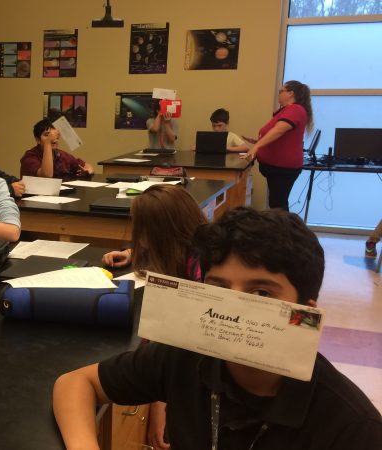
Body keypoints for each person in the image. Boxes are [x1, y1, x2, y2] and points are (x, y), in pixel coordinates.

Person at [53, 207, 382, 450]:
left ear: (304, 313)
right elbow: (75, 383)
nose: (232, 308)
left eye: (261, 293)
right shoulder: (185, 357)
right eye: (219, 288)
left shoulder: (353, 427)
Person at [102, 183, 207, 450]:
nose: (139, 238)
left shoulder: (199, 276)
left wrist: (159, 404)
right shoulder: (194, 249)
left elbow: (172, 345)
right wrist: (131, 253)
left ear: (159, 233)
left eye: (142, 231)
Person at [243, 80, 313, 211]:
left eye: (281, 91)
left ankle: (283, 225)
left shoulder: (295, 109)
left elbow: (279, 130)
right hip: (278, 168)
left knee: (278, 205)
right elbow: (282, 137)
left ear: (291, 93)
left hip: (283, 169)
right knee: (277, 203)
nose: (278, 94)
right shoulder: (287, 110)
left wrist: (257, 147)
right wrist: (258, 141)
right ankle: (281, 224)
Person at [20, 118, 93, 178]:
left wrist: (88, 171)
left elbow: (86, 165)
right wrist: (48, 143)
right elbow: (46, 175)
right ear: (37, 140)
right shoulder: (29, 157)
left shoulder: (62, 155)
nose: (53, 139)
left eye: (55, 135)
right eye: (47, 135)